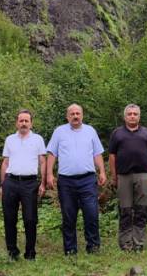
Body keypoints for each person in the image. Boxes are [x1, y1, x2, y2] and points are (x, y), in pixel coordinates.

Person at [46, 104, 107, 255]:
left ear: (82, 115)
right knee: (68, 216)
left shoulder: (90, 131)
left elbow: (97, 153)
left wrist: (102, 172)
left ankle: (93, 247)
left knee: (91, 214)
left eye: (78, 113)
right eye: (72, 114)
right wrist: (49, 174)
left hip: (87, 180)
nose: (75, 116)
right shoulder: (59, 132)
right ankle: (70, 249)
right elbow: (52, 154)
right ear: (67, 116)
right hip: (66, 182)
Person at [108, 104, 147, 252]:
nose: (132, 116)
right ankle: (125, 244)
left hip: (144, 176)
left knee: (141, 210)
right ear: (125, 116)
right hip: (123, 176)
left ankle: (139, 243)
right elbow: (112, 156)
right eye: (129, 114)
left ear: (139, 116)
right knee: (125, 210)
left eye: (135, 114)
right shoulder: (117, 134)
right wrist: (114, 176)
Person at [0, 109, 47, 261]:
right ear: (17, 123)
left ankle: (30, 253)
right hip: (11, 182)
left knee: (30, 219)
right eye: (21, 121)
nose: (24, 123)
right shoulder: (9, 140)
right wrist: (2, 184)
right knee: (9, 218)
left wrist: (43, 183)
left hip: (30, 183)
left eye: (27, 121)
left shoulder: (38, 139)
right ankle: (12, 252)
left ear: (31, 123)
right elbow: (5, 162)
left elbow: (43, 161)